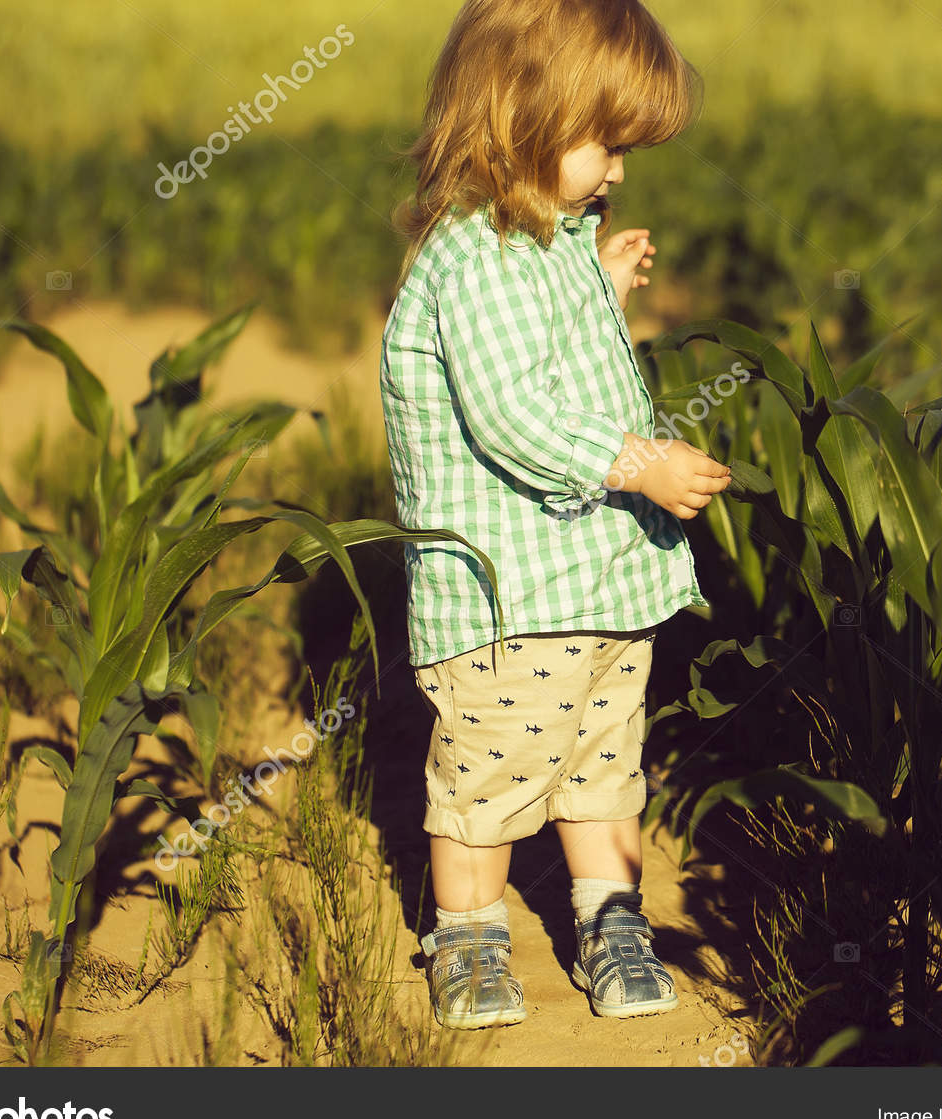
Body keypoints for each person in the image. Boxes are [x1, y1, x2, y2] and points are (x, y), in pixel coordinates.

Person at [379, 0, 729, 1029]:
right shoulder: (472, 259)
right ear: (517, 120)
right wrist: (640, 462)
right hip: (512, 598)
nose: (618, 169)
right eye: (604, 142)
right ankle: (472, 930)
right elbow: (514, 415)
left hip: (596, 586)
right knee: (490, 771)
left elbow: (552, 349)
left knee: (603, 763)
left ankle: (608, 911)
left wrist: (596, 280)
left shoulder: (543, 242)